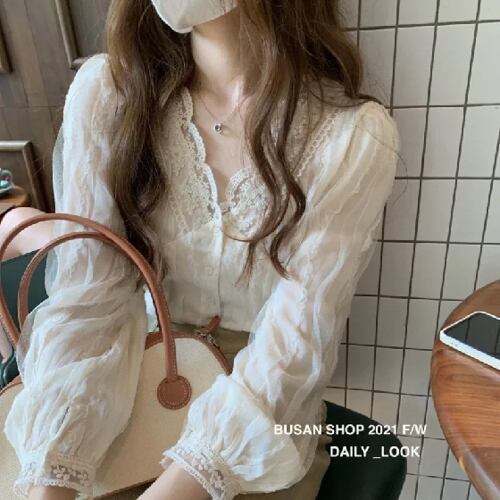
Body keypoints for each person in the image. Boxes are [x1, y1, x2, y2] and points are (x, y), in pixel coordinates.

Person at [1, 0, 400, 499]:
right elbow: (91, 302)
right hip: (129, 371)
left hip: (257, 416)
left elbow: (294, 347)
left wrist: (188, 476)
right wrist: (53, 473)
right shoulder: (110, 95)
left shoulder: (351, 136)